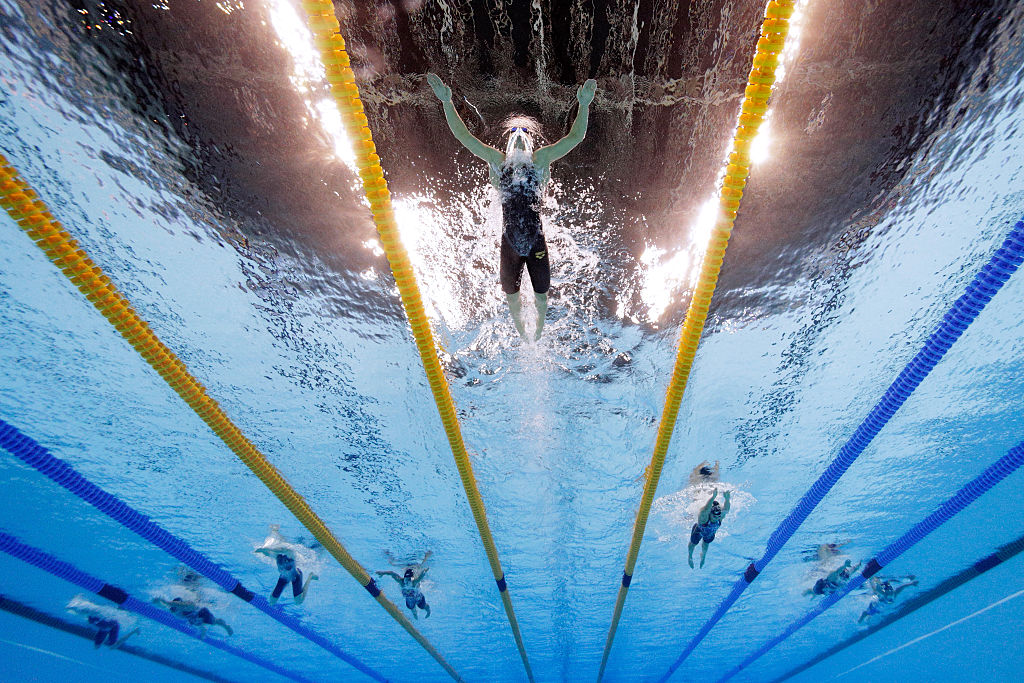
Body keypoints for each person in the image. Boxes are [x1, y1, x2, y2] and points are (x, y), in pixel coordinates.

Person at [427, 72, 598, 341]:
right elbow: (464, 137)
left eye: (524, 132)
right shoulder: (497, 161)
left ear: (530, 142)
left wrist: (584, 105)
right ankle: (524, 338)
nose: (519, 135)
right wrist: (447, 102)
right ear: (508, 142)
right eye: (515, 132)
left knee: (541, 297)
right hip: (509, 244)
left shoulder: (540, 160)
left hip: (536, 241)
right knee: (512, 298)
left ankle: (537, 336)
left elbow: (575, 138)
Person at [254, 528, 319, 605]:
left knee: (298, 602)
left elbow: (285, 550)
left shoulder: (290, 555)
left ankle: (310, 577)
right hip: (283, 578)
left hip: (295, 577)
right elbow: (267, 552)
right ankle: (284, 586)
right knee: (272, 602)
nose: (285, 561)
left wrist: (269, 549)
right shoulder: (276, 557)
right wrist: (262, 550)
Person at [66, 596, 138, 649]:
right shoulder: (112, 625)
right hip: (102, 622)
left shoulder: (111, 625)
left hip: (102, 622)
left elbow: (109, 645)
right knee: (93, 613)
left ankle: (75, 605)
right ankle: (75, 605)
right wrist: (133, 632)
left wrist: (134, 632)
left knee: (94, 613)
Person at [377, 552, 432, 619]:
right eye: (407, 579)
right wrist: (383, 573)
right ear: (405, 577)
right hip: (410, 599)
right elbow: (392, 573)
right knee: (411, 607)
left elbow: (421, 576)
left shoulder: (414, 582)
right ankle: (415, 614)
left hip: (418, 597)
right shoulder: (401, 581)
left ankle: (428, 611)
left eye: (409, 579)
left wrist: (425, 571)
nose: (408, 581)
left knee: (422, 606)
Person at [688, 488, 731, 568]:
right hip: (698, 531)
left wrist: (727, 499)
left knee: (705, 546)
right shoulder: (704, 518)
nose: (716, 518)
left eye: (718, 516)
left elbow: (726, 510)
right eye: (714, 516)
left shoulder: (719, 517)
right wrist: (713, 496)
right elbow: (706, 509)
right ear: (710, 513)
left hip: (710, 534)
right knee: (693, 544)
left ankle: (703, 557)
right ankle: (690, 556)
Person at [152, 596, 233, 638]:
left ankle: (226, 626)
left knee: (215, 621)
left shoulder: (188, 605)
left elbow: (178, 605)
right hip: (193, 619)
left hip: (201, 613)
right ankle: (203, 629)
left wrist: (166, 602)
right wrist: (158, 602)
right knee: (198, 624)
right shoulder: (175, 610)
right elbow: (165, 606)